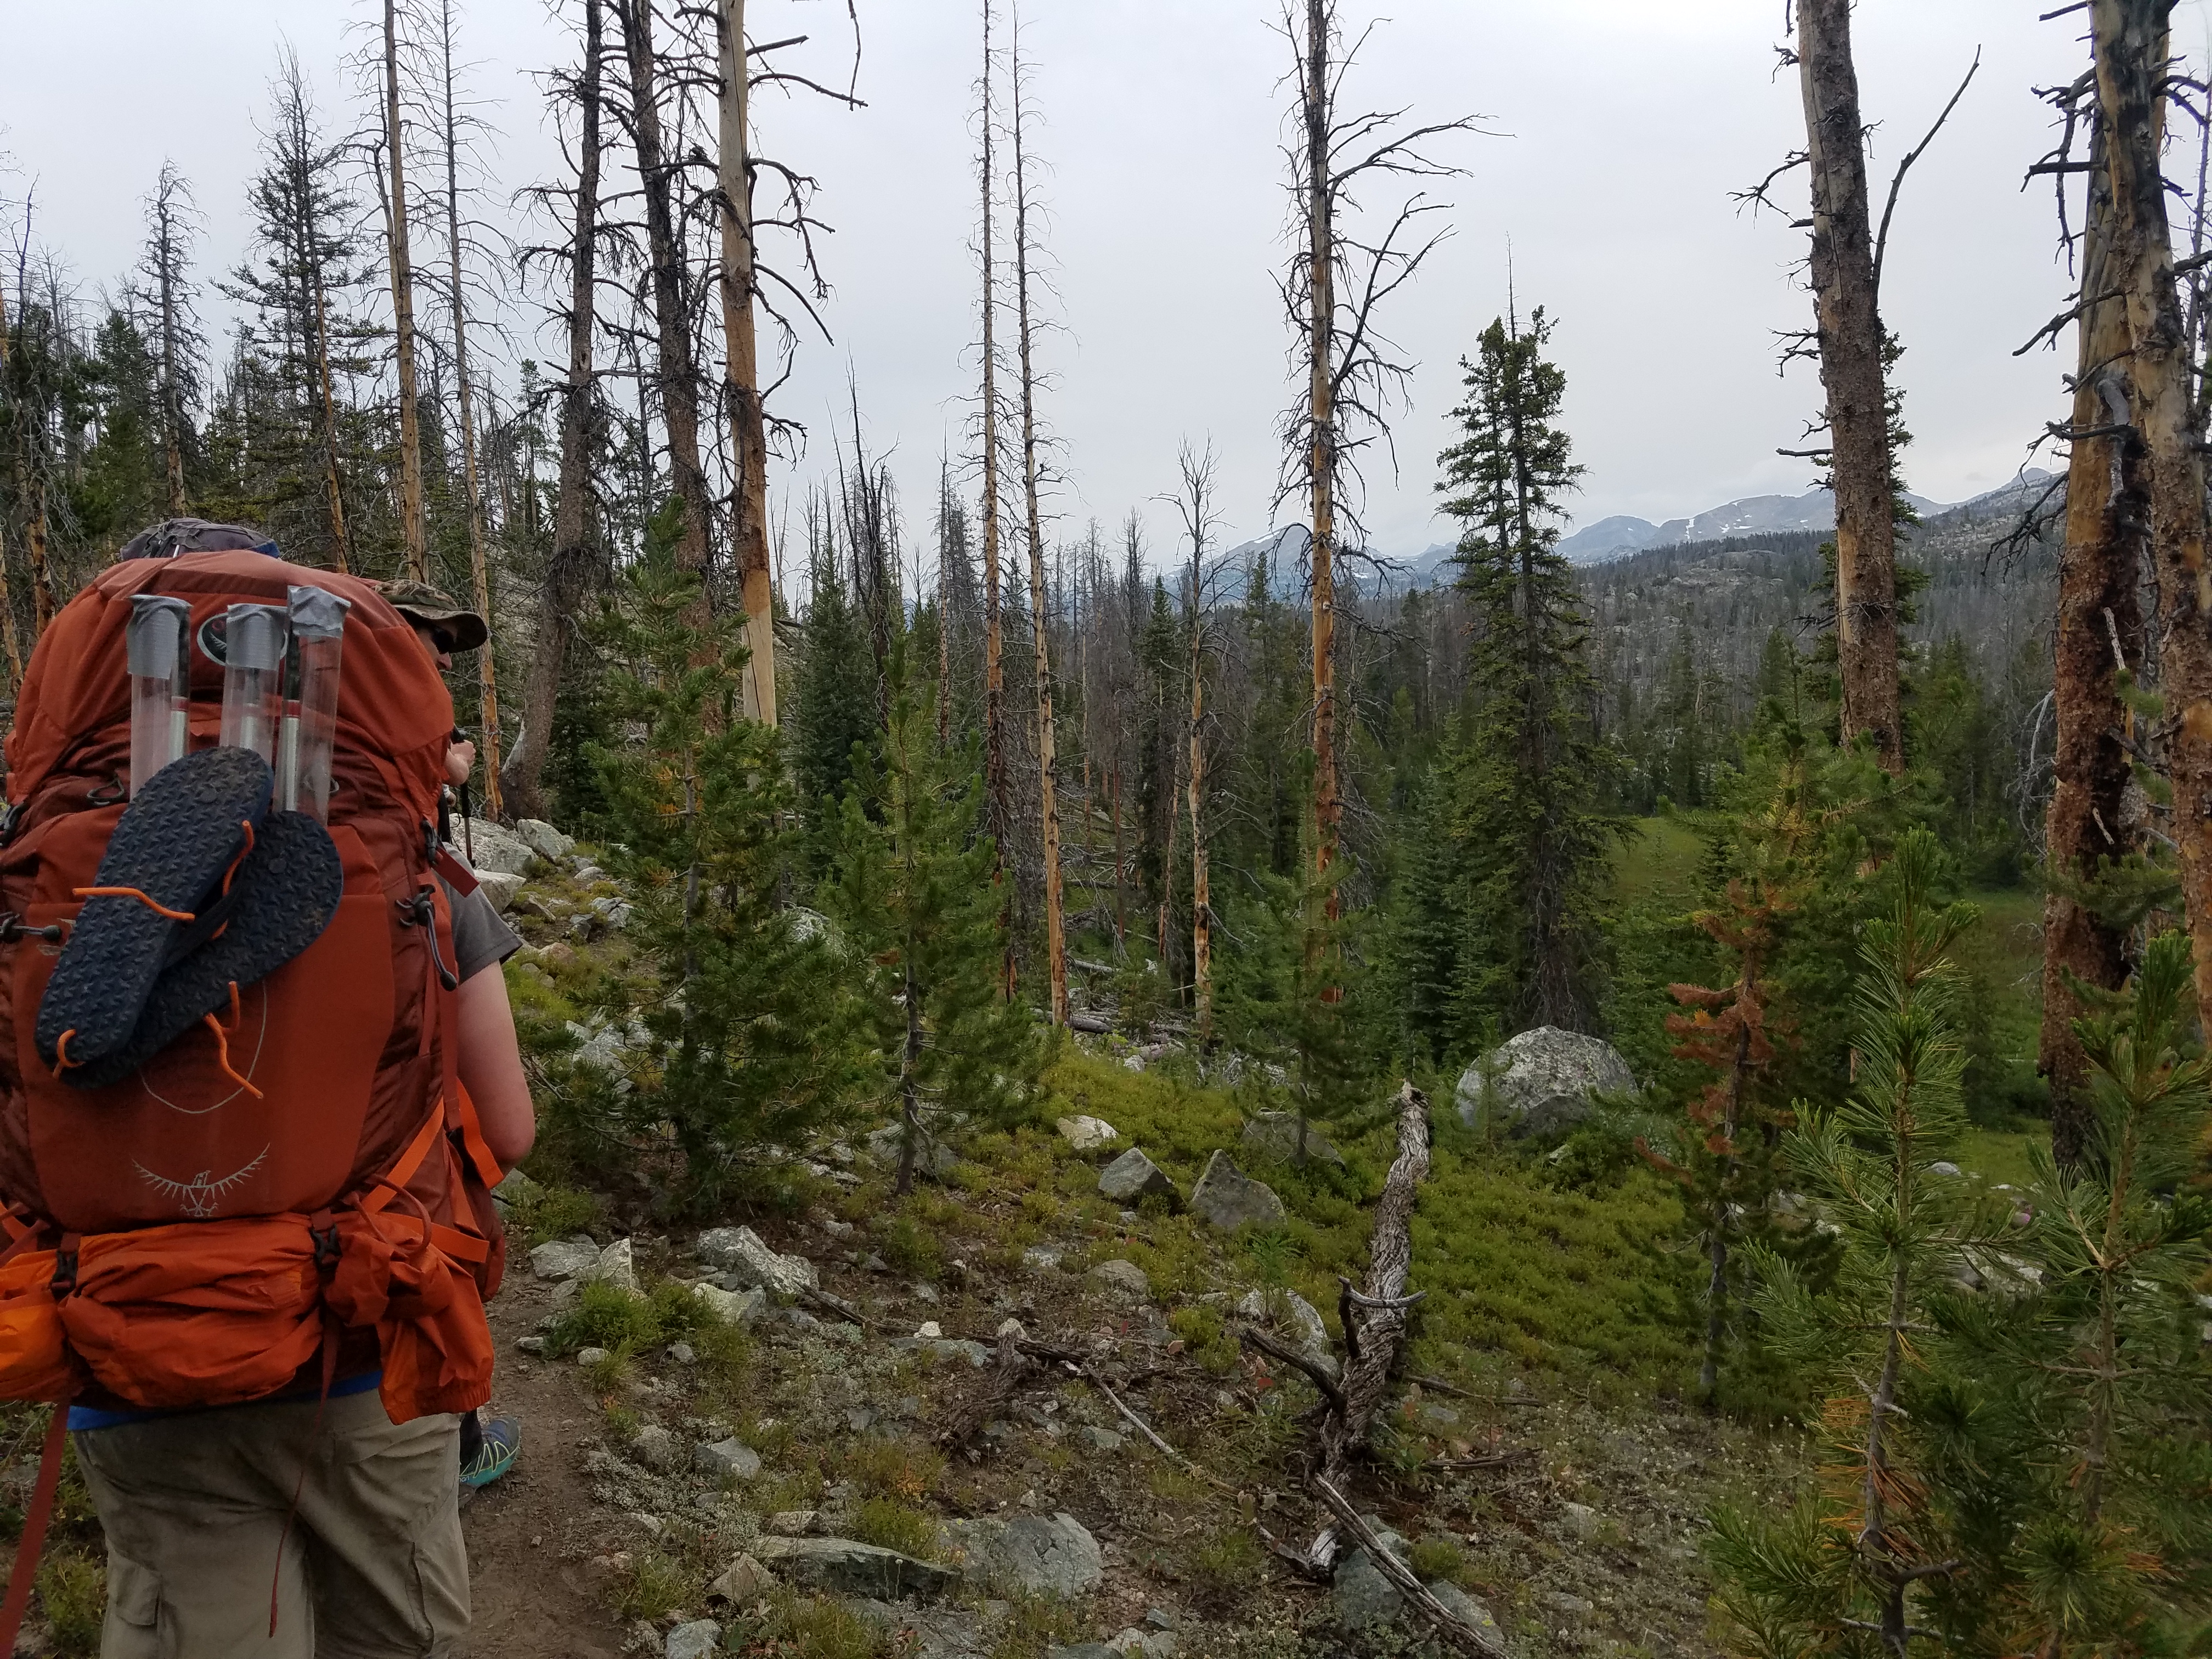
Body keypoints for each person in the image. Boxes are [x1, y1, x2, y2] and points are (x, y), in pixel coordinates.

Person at [56, 546, 535, 1657]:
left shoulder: (64, 882)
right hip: (354, 1339)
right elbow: (507, 1130)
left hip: (137, 1347)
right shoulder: (421, 888)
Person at [380, 580, 534, 1491]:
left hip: (123, 1328)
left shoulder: (128, 850)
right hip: (372, 1290)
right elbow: (510, 1134)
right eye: (425, 655)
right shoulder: (430, 889)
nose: (440, 671)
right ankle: (463, 1442)